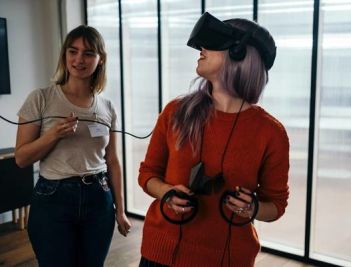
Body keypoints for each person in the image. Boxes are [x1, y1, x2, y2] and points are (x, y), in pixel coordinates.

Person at [138, 12, 290, 267]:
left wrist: (252, 208)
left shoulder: (271, 133)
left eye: (211, 42)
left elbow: (276, 205)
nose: (201, 48)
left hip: (227, 259)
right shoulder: (176, 112)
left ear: (240, 54)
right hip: (161, 253)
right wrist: (166, 192)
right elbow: (148, 174)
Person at [15, 25, 131, 267]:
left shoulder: (108, 107)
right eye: (73, 51)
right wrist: (53, 135)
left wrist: (120, 210)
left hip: (99, 198)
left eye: (89, 53)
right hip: (53, 199)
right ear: (65, 56)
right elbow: (22, 158)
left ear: (100, 60)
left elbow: (113, 161)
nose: (79, 59)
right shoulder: (41, 98)